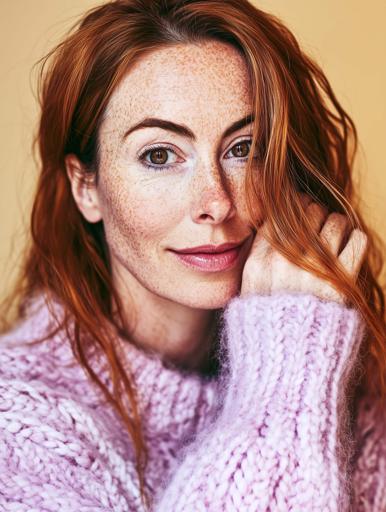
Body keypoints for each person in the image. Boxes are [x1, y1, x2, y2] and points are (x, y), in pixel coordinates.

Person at [0, 0, 385, 510]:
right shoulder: (18, 426)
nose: (216, 202)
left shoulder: (356, 392)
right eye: (159, 155)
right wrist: (289, 367)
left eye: (244, 148)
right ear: (86, 186)